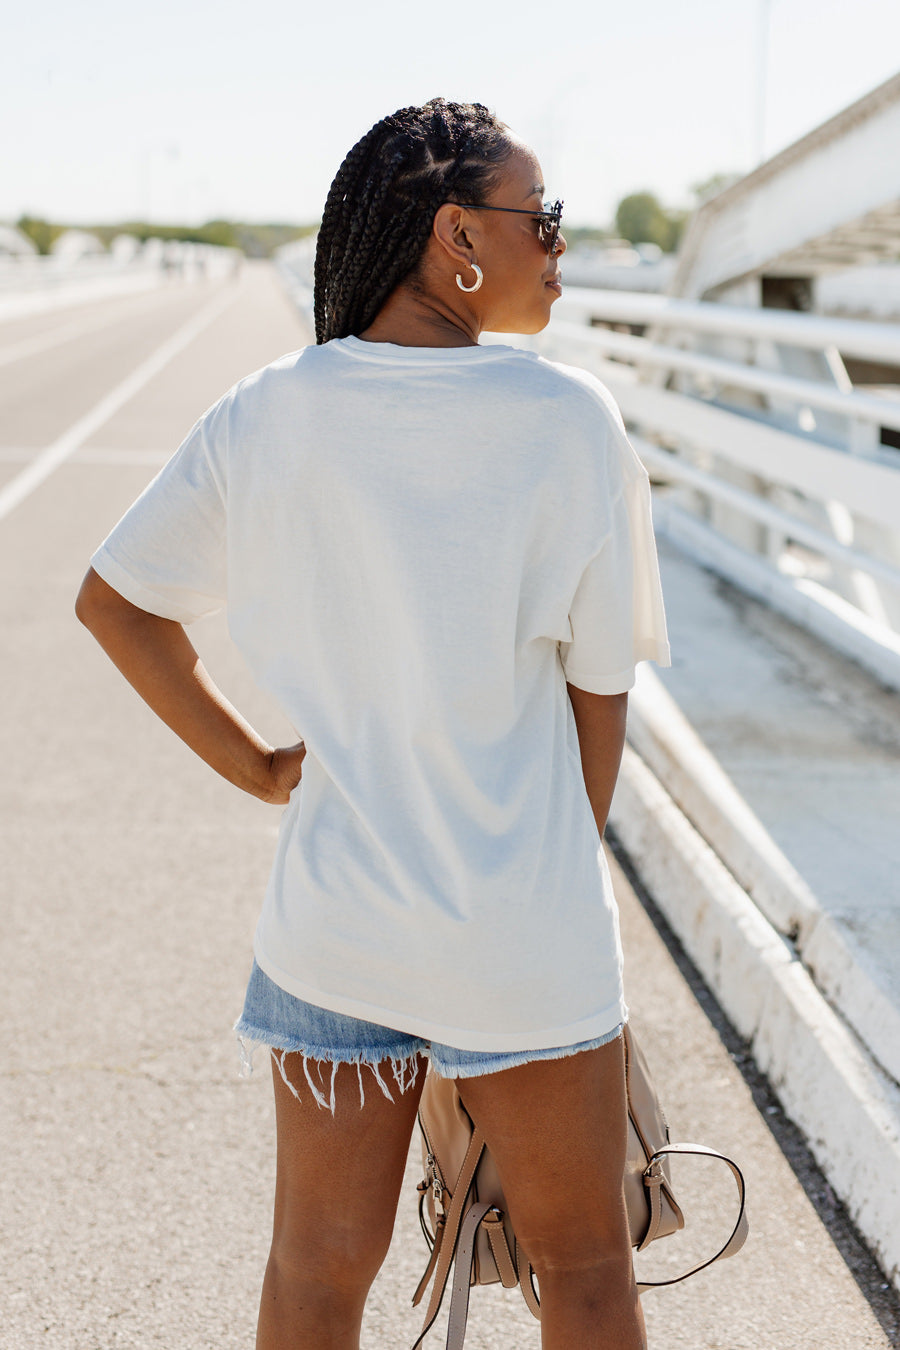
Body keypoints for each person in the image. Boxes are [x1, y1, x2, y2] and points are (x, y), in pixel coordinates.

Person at [75, 98, 671, 1350]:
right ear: (459, 233)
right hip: (519, 933)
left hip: (336, 926)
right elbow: (598, 694)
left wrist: (259, 768)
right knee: (584, 1267)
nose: (559, 244)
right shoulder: (569, 420)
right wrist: (541, 888)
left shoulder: (266, 411)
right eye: (543, 216)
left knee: (313, 1274)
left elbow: (118, 604)